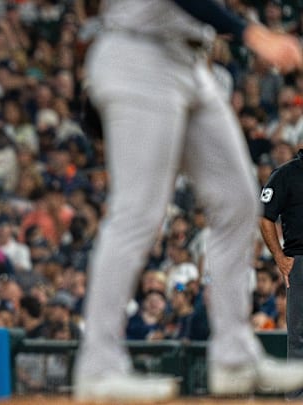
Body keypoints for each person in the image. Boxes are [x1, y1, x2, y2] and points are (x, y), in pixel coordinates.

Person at [73, 1, 303, 403]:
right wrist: (252, 33)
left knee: (237, 202)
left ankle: (234, 357)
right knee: (138, 211)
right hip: (139, 55)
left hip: (191, 62)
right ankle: (98, 366)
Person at [260, 148, 303, 399]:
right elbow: (265, 216)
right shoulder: (286, 174)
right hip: (300, 260)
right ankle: (297, 398)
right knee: (299, 336)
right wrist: (279, 257)